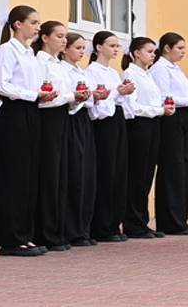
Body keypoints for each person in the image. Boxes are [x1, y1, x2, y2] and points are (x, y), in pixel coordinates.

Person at [0, 5, 55, 256]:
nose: (38, 27)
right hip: (14, 113)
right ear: (17, 24)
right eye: (33, 22)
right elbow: (0, 84)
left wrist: (44, 94)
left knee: (30, 175)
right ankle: (11, 238)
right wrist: (32, 94)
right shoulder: (8, 50)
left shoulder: (30, 53)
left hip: (32, 111)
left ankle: (25, 234)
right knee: (14, 176)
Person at [151, 32, 188, 235]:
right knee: (172, 166)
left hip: (183, 115)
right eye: (180, 48)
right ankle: (170, 220)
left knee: (183, 165)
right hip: (171, 118)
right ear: (167, 48)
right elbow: (163, 96)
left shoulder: (176, 68)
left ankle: (180, 218)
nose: (183, 52)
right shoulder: (159, 68)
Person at [31, 21, 82, 251]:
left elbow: (64, 95)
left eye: (64, 37)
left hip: (62, 116)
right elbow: (46, 95)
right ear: (44, 38)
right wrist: (70, 96)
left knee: (61, 174)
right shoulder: (39, 62)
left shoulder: (59, 64)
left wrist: (75, 99)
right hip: (47, 119)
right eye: (59, 36)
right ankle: (46, 232)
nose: (63, 40)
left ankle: (59, 230)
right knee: (49, 174)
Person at [122, 37, 175, 239]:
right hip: (139, 125)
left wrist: (161, 110)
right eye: (149, 51)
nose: (153, 55)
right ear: (136, 53)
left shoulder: (147, 75)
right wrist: (158, 110)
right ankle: (133, 222)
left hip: (153, 123)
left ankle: (141, 220)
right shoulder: (130, 74)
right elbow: (133, 106)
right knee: (136, 174)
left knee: (146, 174)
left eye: (154, 52)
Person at [85, 31, 135, 242]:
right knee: (105, 173)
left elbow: (118, 101)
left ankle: (114, 223)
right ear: (98, 47)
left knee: (118, 173)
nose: (115, 49)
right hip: (103, 123)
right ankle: (101, 226)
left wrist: (123, 93)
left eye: (117, 46)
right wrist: (117, 93)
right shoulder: (91, 72)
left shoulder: (114, 73)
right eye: (111, 45)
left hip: (117, 119)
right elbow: (100, 105)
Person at [60, 33, 103, 247]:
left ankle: (83, 229)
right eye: (77, 47)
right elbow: (67, 97)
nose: (82, 52)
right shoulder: (62, 70)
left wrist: (94, 96)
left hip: (85, 119)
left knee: (87, 174)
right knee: (75, 173)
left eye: (83, 48)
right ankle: (72, 229)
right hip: (72, 119)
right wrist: (81, 98)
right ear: (65, 49)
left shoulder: (81, 71)